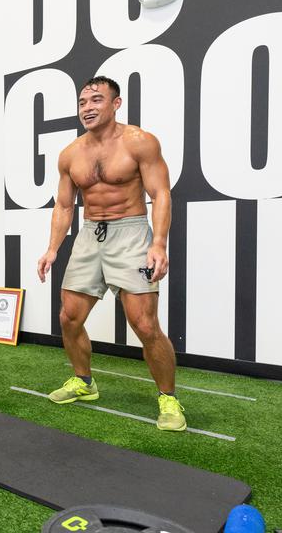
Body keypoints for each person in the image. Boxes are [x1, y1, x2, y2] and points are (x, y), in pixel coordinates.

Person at [36, 75, 186, 432]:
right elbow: (63, 204)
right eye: (82, 102)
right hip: (90, 236)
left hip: (131, 233)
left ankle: (168, 398)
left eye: (96, 100)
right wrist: (53, 248)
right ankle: (84, 383)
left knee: (145, 324)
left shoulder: (140, 142)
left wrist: (159, 243)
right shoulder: (71, 154)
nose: (87, 108)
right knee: (69, 317)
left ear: (116, 104)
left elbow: (161, 193)